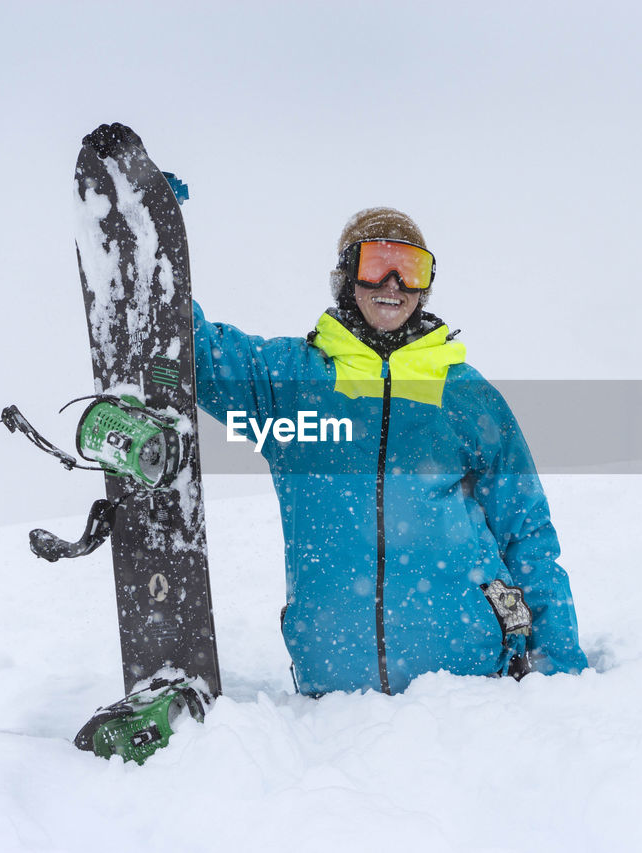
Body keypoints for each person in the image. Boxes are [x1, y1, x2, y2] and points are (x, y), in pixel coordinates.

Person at [193, 208, 587, 696]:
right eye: (377, 263)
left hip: (473, 692)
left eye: (412, 268)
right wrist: (147, 227)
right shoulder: (292, 385)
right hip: (334, 704)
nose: (394, 282)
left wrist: (560, 670)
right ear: (346, 276)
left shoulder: (464, 395)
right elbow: (194, 351)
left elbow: (527, 531)